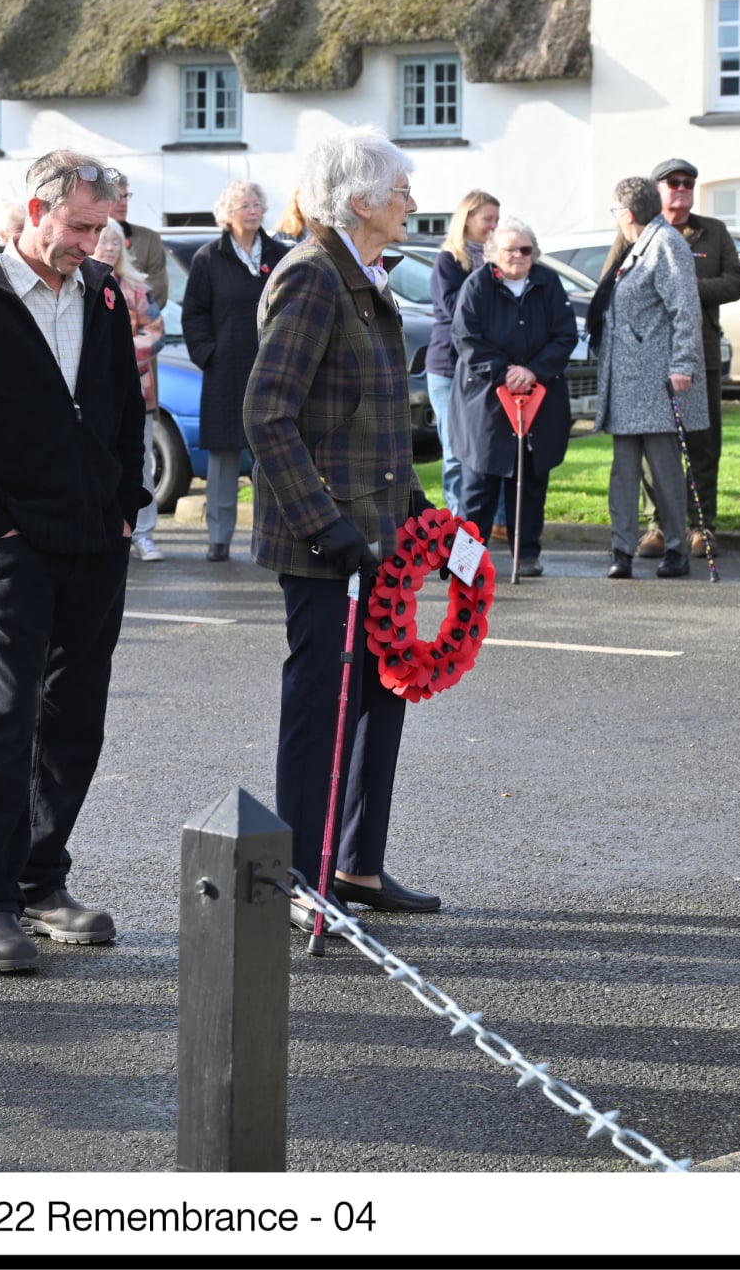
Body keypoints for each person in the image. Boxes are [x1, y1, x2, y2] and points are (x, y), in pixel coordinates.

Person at [0, 151, 147, 973]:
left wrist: (129, 503)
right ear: (35, 208)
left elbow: (124, 406)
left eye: (101, 228)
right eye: (80, 226)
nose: (91, 242)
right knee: (5, 716)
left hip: (97, 539)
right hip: (16, 545)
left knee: (76, 715)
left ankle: (45, 879)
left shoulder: (106, 297)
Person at [243, 125, 440, 934]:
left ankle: (356, 863)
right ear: (359, 201)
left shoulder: (364, 273)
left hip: (378, 532)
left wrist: (421, 510)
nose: (410, 203)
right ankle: (301, 877)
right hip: (327, 543)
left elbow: (374, 419)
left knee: (380, 698)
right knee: (320, 705)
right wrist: (326, 527)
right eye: (399, 191)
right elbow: (267, 414)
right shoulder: (314, 277)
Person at [615, 158, 740, 558]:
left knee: (703, 446)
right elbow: (613, 281)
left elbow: (737, 281)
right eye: (674, 182)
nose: (682, 188)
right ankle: (657, 525)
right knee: (656, 449)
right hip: (650, 361)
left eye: (688, 182)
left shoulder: (713, 232)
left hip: (698, 355)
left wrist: (684, 289)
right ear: (658, 190)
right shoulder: (636, 229)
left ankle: (702, 525)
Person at [447, 218, 579, 576]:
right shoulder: (477, 286)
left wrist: (533, 370)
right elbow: (466, 338)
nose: (520, 256)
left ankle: (529, 554)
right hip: (486, 402)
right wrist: (505, 371)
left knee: (531, 481)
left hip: (538, 398)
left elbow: (565, 335)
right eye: (511, 250)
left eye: (526, 250)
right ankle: (464, 563)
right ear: (494, 254)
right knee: (478, 486)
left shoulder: (548, 283)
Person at [593, 177, 708, 579]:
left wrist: (683, 364)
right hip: (628, 381)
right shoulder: (640, 245)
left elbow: (685, 308)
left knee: (664, 468)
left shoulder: (666, 243)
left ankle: (676, 548)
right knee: (624, 470)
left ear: (627, 214)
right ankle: (621, 549)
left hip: (657, 380)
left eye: (615, 212)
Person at [182, 180, 290, 562]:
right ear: (227, 213)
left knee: (272, 456)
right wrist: (208, 353)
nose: (253, 209)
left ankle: (271, 537)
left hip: (270, 369)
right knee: (224, 459)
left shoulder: (280, 254)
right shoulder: (209, 258)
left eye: (257, 203)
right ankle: (219, 538)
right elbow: (193, 313)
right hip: (224, 372)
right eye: (244, 204)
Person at [427, 191, 501, 518]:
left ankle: (491, 519)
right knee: (455, 449)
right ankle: (458, 523)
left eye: (497, 220)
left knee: (488, 446)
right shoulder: (448, 260)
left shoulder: (497, 258)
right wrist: (486, 273)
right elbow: (455, 309)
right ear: (467, 218)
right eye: (488, 219)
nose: (493, 226)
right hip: (448, 368)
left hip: (483, 368)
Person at [95, 218, 164, 562]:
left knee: (140, 466)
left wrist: (118, 353)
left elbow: (155, 331)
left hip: (137, 391)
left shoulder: (137, 288)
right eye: (102, 239)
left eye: (114, 241)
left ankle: (144, 533)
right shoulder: (80, 283)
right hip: (90, 396)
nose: (107, 246)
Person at [107, 172, 169, 310]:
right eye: (117, 197)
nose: (123, 203)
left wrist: (134, 319)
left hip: (138, 325)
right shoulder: (87, 239)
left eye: (126, 197)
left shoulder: (149, 239)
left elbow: (158, 291)